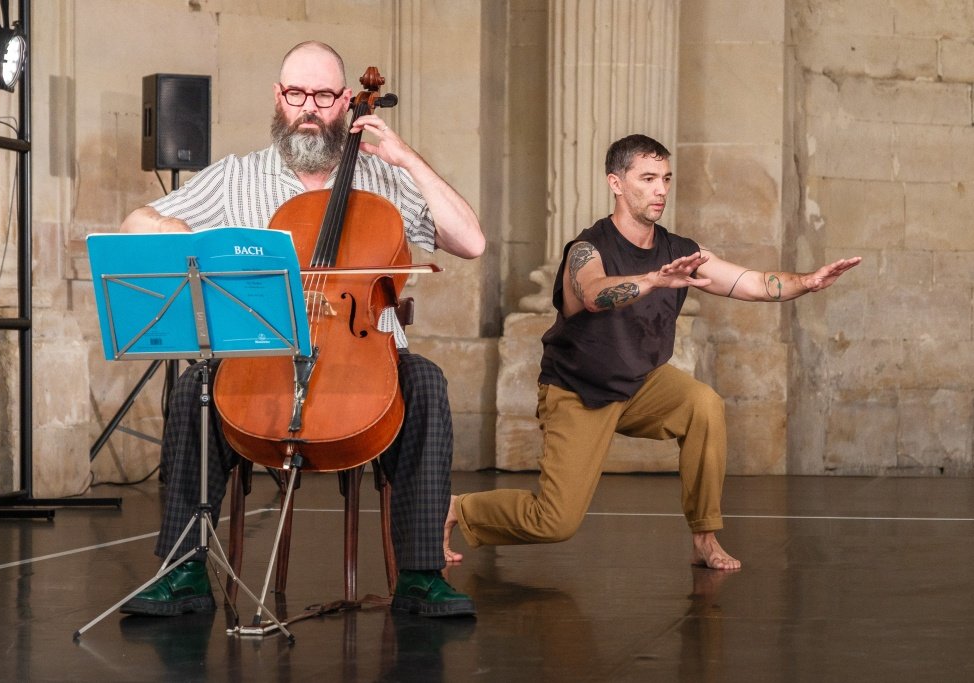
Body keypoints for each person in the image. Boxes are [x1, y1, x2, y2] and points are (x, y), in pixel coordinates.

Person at [117, 40, 484, 618]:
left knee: (428, 385)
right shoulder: (237, 178)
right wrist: (185, 238)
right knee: (194, 390)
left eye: (323, 95)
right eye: (296, 94)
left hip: (366, 364)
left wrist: (406, 156)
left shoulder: (383, 178)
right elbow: (136, 223)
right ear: (277, 97)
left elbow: (472, 241)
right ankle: (184, 571)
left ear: (346, 102)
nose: (308, 107)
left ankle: (420, 575)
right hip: (262, 359)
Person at [444, 133, 861, 571]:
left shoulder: (678, 251)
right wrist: (652, 281)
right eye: (648, 178)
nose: (661, 189)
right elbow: (593, 295)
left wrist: (808, 282)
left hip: (642, 385)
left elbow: (753, 283)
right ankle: (458, 508)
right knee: (554, 522)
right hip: (579, 390)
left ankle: (704, 537)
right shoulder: (587, 248)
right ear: (616, 183)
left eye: (666, 178)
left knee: (704, 405)